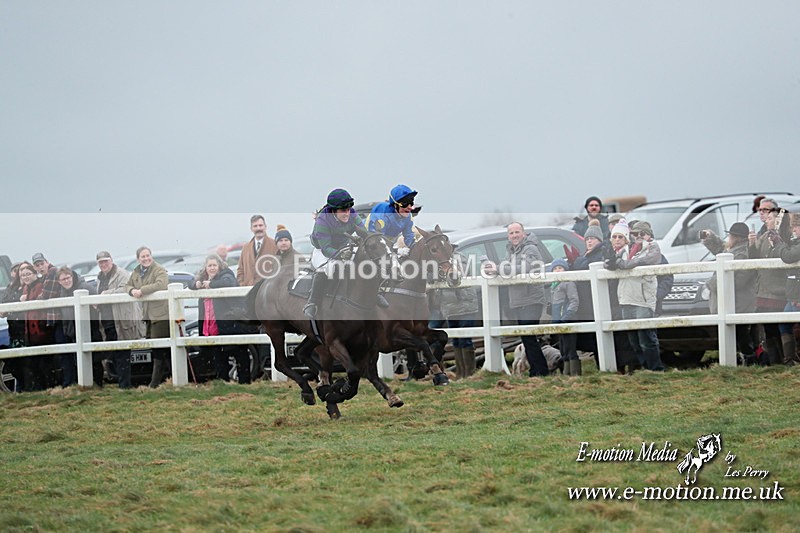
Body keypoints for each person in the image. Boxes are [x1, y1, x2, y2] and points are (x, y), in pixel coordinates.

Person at [483, 222, 549, 376]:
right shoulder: (510, 252)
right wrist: (494, 271)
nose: (514, 235)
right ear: (508, 236)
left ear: (524, 233)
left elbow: (524, 268)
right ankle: (537, 370)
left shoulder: (530, 248)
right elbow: (508, 269)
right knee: (526, 337)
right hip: (518, 300)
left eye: (517, 232)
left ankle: (540, 371)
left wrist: (498, 269)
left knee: (529, 336)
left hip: (532, 299)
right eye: (511, 233)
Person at [304, 188, 372, 318]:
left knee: (365, 259)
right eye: (343, 211)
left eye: (348, 210)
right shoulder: (322, 220)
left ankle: (374, 293)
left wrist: (362, 239)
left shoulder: (352, 213)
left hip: (343, 245)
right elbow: (326, 248)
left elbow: (364, 232)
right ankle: (312, 302)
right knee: (326, 268)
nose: (347, 213)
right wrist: (340, 255)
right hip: (322, 250)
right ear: (333, 211)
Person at [606, 220, 665, 371]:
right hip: (626, 298)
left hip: (643, 299)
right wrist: (613, 262)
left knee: (647, 339)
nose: (639, 236)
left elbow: (640, 262)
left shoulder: (653, 247)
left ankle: (656, 369)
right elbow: (611, 262)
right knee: (634, 340)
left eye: (642, 234)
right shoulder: (628, 249)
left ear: (649, 235)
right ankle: (645, 368)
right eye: (635, 234)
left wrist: (622, 264)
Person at [700, 222, 757, 361]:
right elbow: (721, 248)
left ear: (736, 237)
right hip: (735, 302)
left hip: (738, 303)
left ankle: (748, 358)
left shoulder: (742, 253)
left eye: (731, 235)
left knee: (741, 334)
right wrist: (710, 237)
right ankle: (744, 359)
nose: (728, 238)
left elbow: (740, 280)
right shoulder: (737, 250)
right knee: (737, 333)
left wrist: (712, 283)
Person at [190, 255, 251, 383]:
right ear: (205, 268)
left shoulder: (226, 274)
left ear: (219, 266)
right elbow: (190, 284)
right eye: (209, 266)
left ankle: (245, 383)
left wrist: (211, 284)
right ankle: (222, 382)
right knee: (218, 355)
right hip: (211, 324)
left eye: (214, 265)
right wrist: (196, 284)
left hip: (230, 322)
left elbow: (229, 282)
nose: (212, 268)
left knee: (239, 353)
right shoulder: (202, 278)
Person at [95, 251, 145, 389]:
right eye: (101, 262)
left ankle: (125, 385)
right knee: (113, 353)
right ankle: (121, 383)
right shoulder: (100, 277)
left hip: (121, 320)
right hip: (107, 321)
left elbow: (125, 289)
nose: (104, 264)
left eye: (106, 261)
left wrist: (105, 294)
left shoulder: (122, 274)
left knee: (123, 353)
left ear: (111, 260)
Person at [748, 202, 790, 364]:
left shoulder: (784, 236)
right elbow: (754, 259)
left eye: (769, 215)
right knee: (768, 327)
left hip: (778, 290)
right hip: (763, 290)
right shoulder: (764, 236)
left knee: (781, 327)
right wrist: (752, 244)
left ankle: (787, 358)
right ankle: (774, 361)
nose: (765, 218)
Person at [428, 253, 479, 379]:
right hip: (449, 307)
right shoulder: (436, 262)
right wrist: (438, 273)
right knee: (455, 340)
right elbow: (430, 278)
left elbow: (455, 279)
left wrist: (447, 270)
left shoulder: (460, 258)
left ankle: (469, 374)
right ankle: (461, 373)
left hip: (466, 306)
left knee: (465, 339)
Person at [125, 246, 169, 387]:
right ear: (138, 259)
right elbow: (127, 285)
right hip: (148, 315)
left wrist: (142, 291)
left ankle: (155, 383)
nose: (146, 258)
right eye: (143, 256)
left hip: (161, 314)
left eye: (147, 255)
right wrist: (132, 291)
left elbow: (161, 285)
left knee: (159, 348)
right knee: (156, 348)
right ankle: (167, 379)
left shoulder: (159, 269)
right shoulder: (137, 272)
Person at [55, 266, 103, 387]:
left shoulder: (85, 287)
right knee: (78, 360)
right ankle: (84, 385)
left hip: (90, 326)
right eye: (63, 279)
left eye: (68, 277)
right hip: (73, 329)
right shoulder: (62, 293)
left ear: (72, 276)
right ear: (59, 282)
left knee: (94, 359)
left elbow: (98, 304)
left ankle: (97, 384)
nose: (66, 281)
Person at [768, 212, 800, 365]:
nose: (794, 229)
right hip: (793, 295)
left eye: (796, 226)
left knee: (785, 324)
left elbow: (788, 256)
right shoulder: (795, 242)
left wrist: (779, 244)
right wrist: (778, 242)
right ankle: (790, 359)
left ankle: (791, 359)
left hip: (797, 296)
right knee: (784, 323)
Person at [18, 262, 55, 390]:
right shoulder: (26, 289)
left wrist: (26, 300)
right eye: (23, 275)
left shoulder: (39, 286)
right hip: (32, 332)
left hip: (41, 330)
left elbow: (38, 303)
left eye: (28, 274)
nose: (26, 277)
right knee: (35, 364)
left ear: (35, 274)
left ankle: (48, 387)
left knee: (44, 363)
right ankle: (42, 388)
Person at [549, 258, 580, 376]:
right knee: (563, 347)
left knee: (570, 347)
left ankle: (574, 373)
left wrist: (567, 315)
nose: (558, 271)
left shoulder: (568, 283)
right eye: (555, 268)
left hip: (568, 319)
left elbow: (574, 301)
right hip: (558, 320)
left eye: (560, 268)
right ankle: (566, 372)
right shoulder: (554, 285)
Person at [369, 184, 418, 250]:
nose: (409, 207)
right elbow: (377, 241)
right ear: (395, 205)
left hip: (387, 240)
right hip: (368, 237)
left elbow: (409, 238)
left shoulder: (408, 217)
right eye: (405, 204)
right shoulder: (383, 216)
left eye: (411, 203)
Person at [236, 215, 278, 287]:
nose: (258, 228)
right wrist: (242, 283)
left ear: (265, 227)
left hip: (267, 290)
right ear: (251, 229)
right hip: (249, 291)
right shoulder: (246, 248)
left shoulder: (275, 245)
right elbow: (240, 270)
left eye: (260, 225)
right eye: (255, 226)